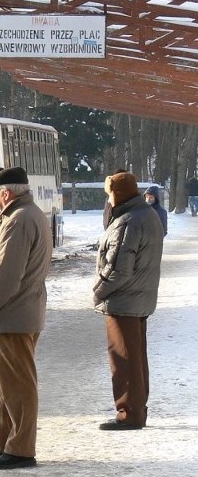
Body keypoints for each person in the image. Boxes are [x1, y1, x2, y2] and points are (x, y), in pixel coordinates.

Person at [0, 167, 52, 470]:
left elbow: (6, 277)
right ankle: (2, 441)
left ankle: (20, 448)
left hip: (13, 314)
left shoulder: (19, 220)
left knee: (17, 385)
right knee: (6, 384)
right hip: (18, 313)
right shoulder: (23, 215)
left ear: (6, 193)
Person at [93, 171, 163, 430]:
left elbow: (118, 268)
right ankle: (136, 408)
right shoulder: (145, 214)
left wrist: (98, 290)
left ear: (116, 194)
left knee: (124, 360)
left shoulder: (128, 221)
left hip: (123, 300)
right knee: (135, 357)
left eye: (109, 194)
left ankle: (129, 413)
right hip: (137, 298)